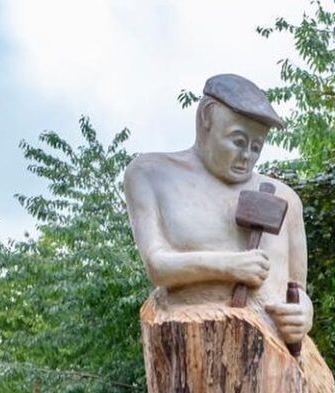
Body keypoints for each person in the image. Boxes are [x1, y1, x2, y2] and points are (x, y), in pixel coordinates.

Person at [124, 73, 313, 349]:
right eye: (237, 141)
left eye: (256, 146)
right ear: (206, 118)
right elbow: (158, 265)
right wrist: (230, 266)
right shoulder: (152, 174)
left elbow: (298, 289)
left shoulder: (285, 198)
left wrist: (303, 313)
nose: (247, 155)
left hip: (278, 360)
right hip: (195, 349)